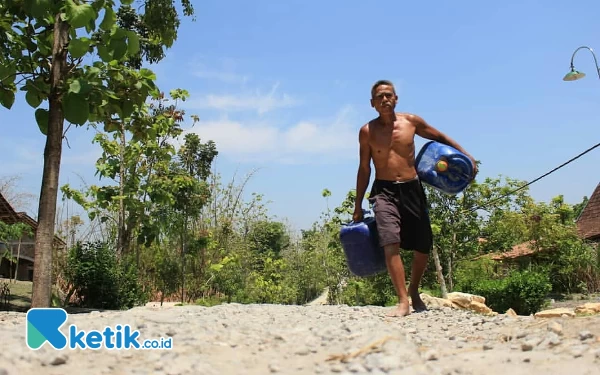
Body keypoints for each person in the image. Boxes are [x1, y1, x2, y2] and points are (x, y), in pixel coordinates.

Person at [353, 79, 477, 317]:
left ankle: (414, 290)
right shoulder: (367, 131)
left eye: (388, 95)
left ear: (396, 98)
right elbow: (364, 168)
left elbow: (439, 136)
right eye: (379, 97)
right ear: (372, 104)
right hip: (384, 191)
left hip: (412, 188)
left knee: (423, 245)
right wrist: (358, 204)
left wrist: (467, 157)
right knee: (390, 241)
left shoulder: (411, 122)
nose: (384, 99)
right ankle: (402, 301)